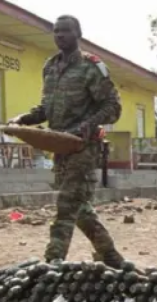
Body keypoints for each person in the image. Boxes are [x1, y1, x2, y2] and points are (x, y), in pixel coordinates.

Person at [7, 15, 125, 267]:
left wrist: (86, 126)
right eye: (56, 31)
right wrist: (22, 119)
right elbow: (46, 109)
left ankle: (53, 261)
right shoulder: (50, 67)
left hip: (83, 147)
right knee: (79, 207)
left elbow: (112, 107)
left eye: (65, 31)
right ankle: (110, 255)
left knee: (66, 204)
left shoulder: (91, 66)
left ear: (77, 34)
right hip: (59, 147)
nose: (60, 35)